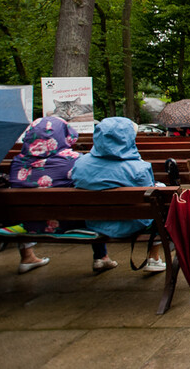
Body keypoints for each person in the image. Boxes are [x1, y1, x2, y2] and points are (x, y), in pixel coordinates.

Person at [9, 116, 117, 274]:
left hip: (27, 225)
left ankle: (27, 256)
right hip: (70, 223)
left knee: (27, 207)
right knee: (92, 204)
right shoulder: (74, 161)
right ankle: (102, 257)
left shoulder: (17, 163)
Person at [71, 117, 166, 273]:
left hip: (94, 222)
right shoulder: (138, 168)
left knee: (96, 206)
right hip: (132, 223)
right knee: (159, 202)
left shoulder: (80, 164)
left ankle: (101, 256)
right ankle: (153, 258)